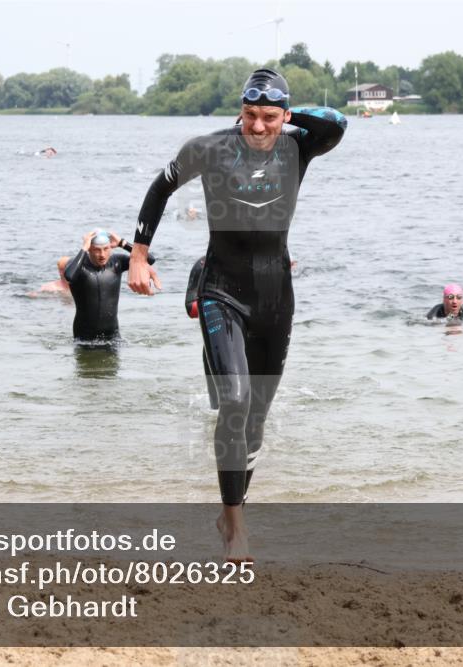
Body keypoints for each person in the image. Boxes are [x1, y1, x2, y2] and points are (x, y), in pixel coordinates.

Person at [127, 68, 347, 561]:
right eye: (250, 115)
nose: (259, 126)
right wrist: (138, 255)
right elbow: (160, 189)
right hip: (221, 290)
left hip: (276, 298)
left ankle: (232, 507)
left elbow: (335, 123)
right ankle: (236, 524)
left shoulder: (298, 147)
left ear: (286, 115)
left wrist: (288, 113)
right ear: (238, 111)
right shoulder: (210, 149)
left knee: (256, 420)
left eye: (270, 116)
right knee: (236, 398)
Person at [65, 230, 157, 341]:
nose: (102, 255)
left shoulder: (117, 262)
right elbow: (69, 276)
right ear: (89, 248)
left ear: (110, 248)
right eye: (97, 250)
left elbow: (150, 260)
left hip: (113, 336)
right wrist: (84, 247)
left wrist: (123, 243)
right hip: (84, 337)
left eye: (106, 249)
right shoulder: (78, 265)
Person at [186, 256, 219, 410]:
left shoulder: (250, 262)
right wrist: (216, 306)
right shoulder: (202, 265)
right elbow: (189, 308)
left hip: (250, 343)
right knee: (217, 407)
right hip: (214, 346)